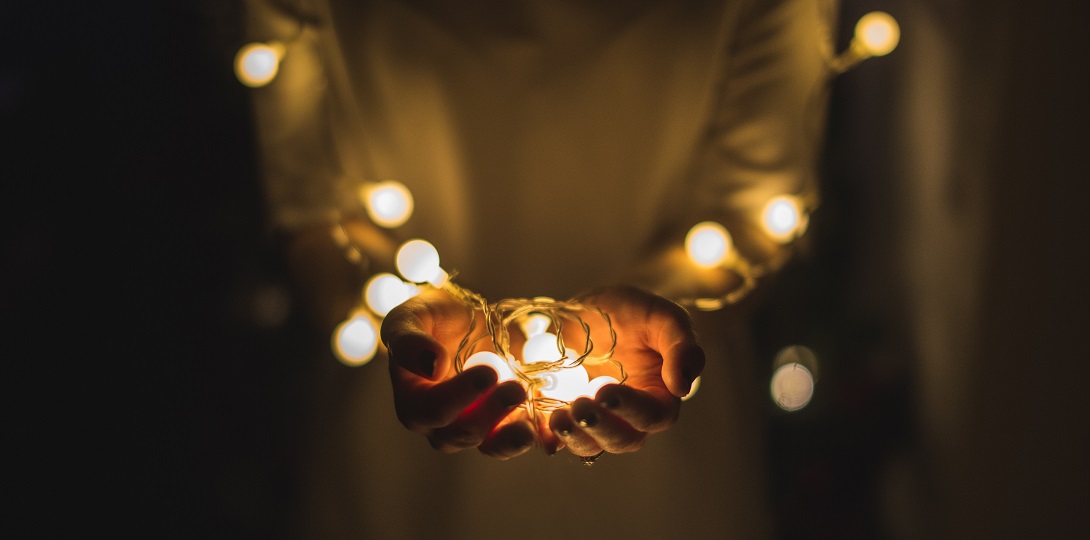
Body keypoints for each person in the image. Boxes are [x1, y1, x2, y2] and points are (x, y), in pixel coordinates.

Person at [243, 0, 833, 536]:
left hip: (660, 451)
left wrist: (667, 316)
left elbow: (755, 209)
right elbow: (312, 209)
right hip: (399, 452)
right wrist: (381, 306)